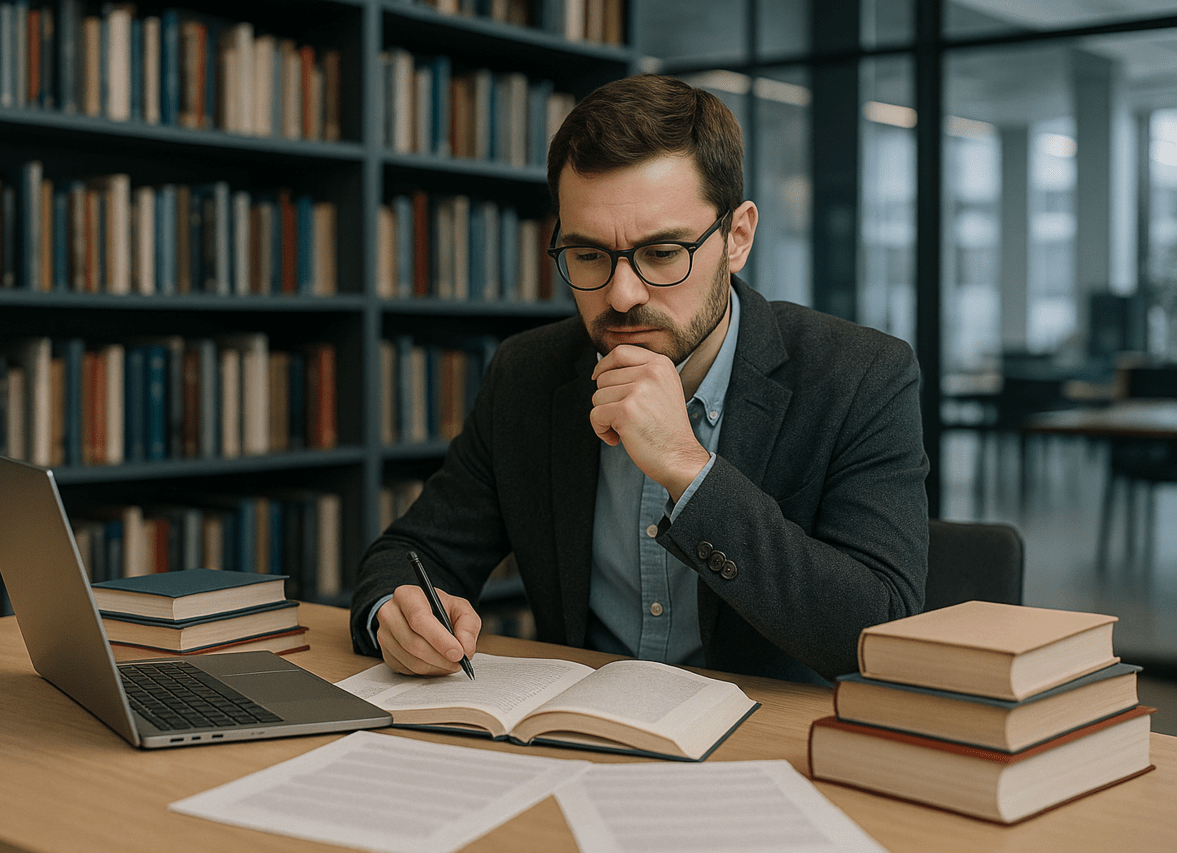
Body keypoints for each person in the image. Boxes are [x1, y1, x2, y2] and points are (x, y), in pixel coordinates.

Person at [350, 74, 929, 684]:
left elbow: (878, 629)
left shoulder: (861, 376)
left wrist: (687, 468)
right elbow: (411, 556)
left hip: (765, 743)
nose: (622, 295)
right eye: (589, 255)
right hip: (577, 740)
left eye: (661, 253)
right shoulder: (528, 373)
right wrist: (396, 613)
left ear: (737, 237)